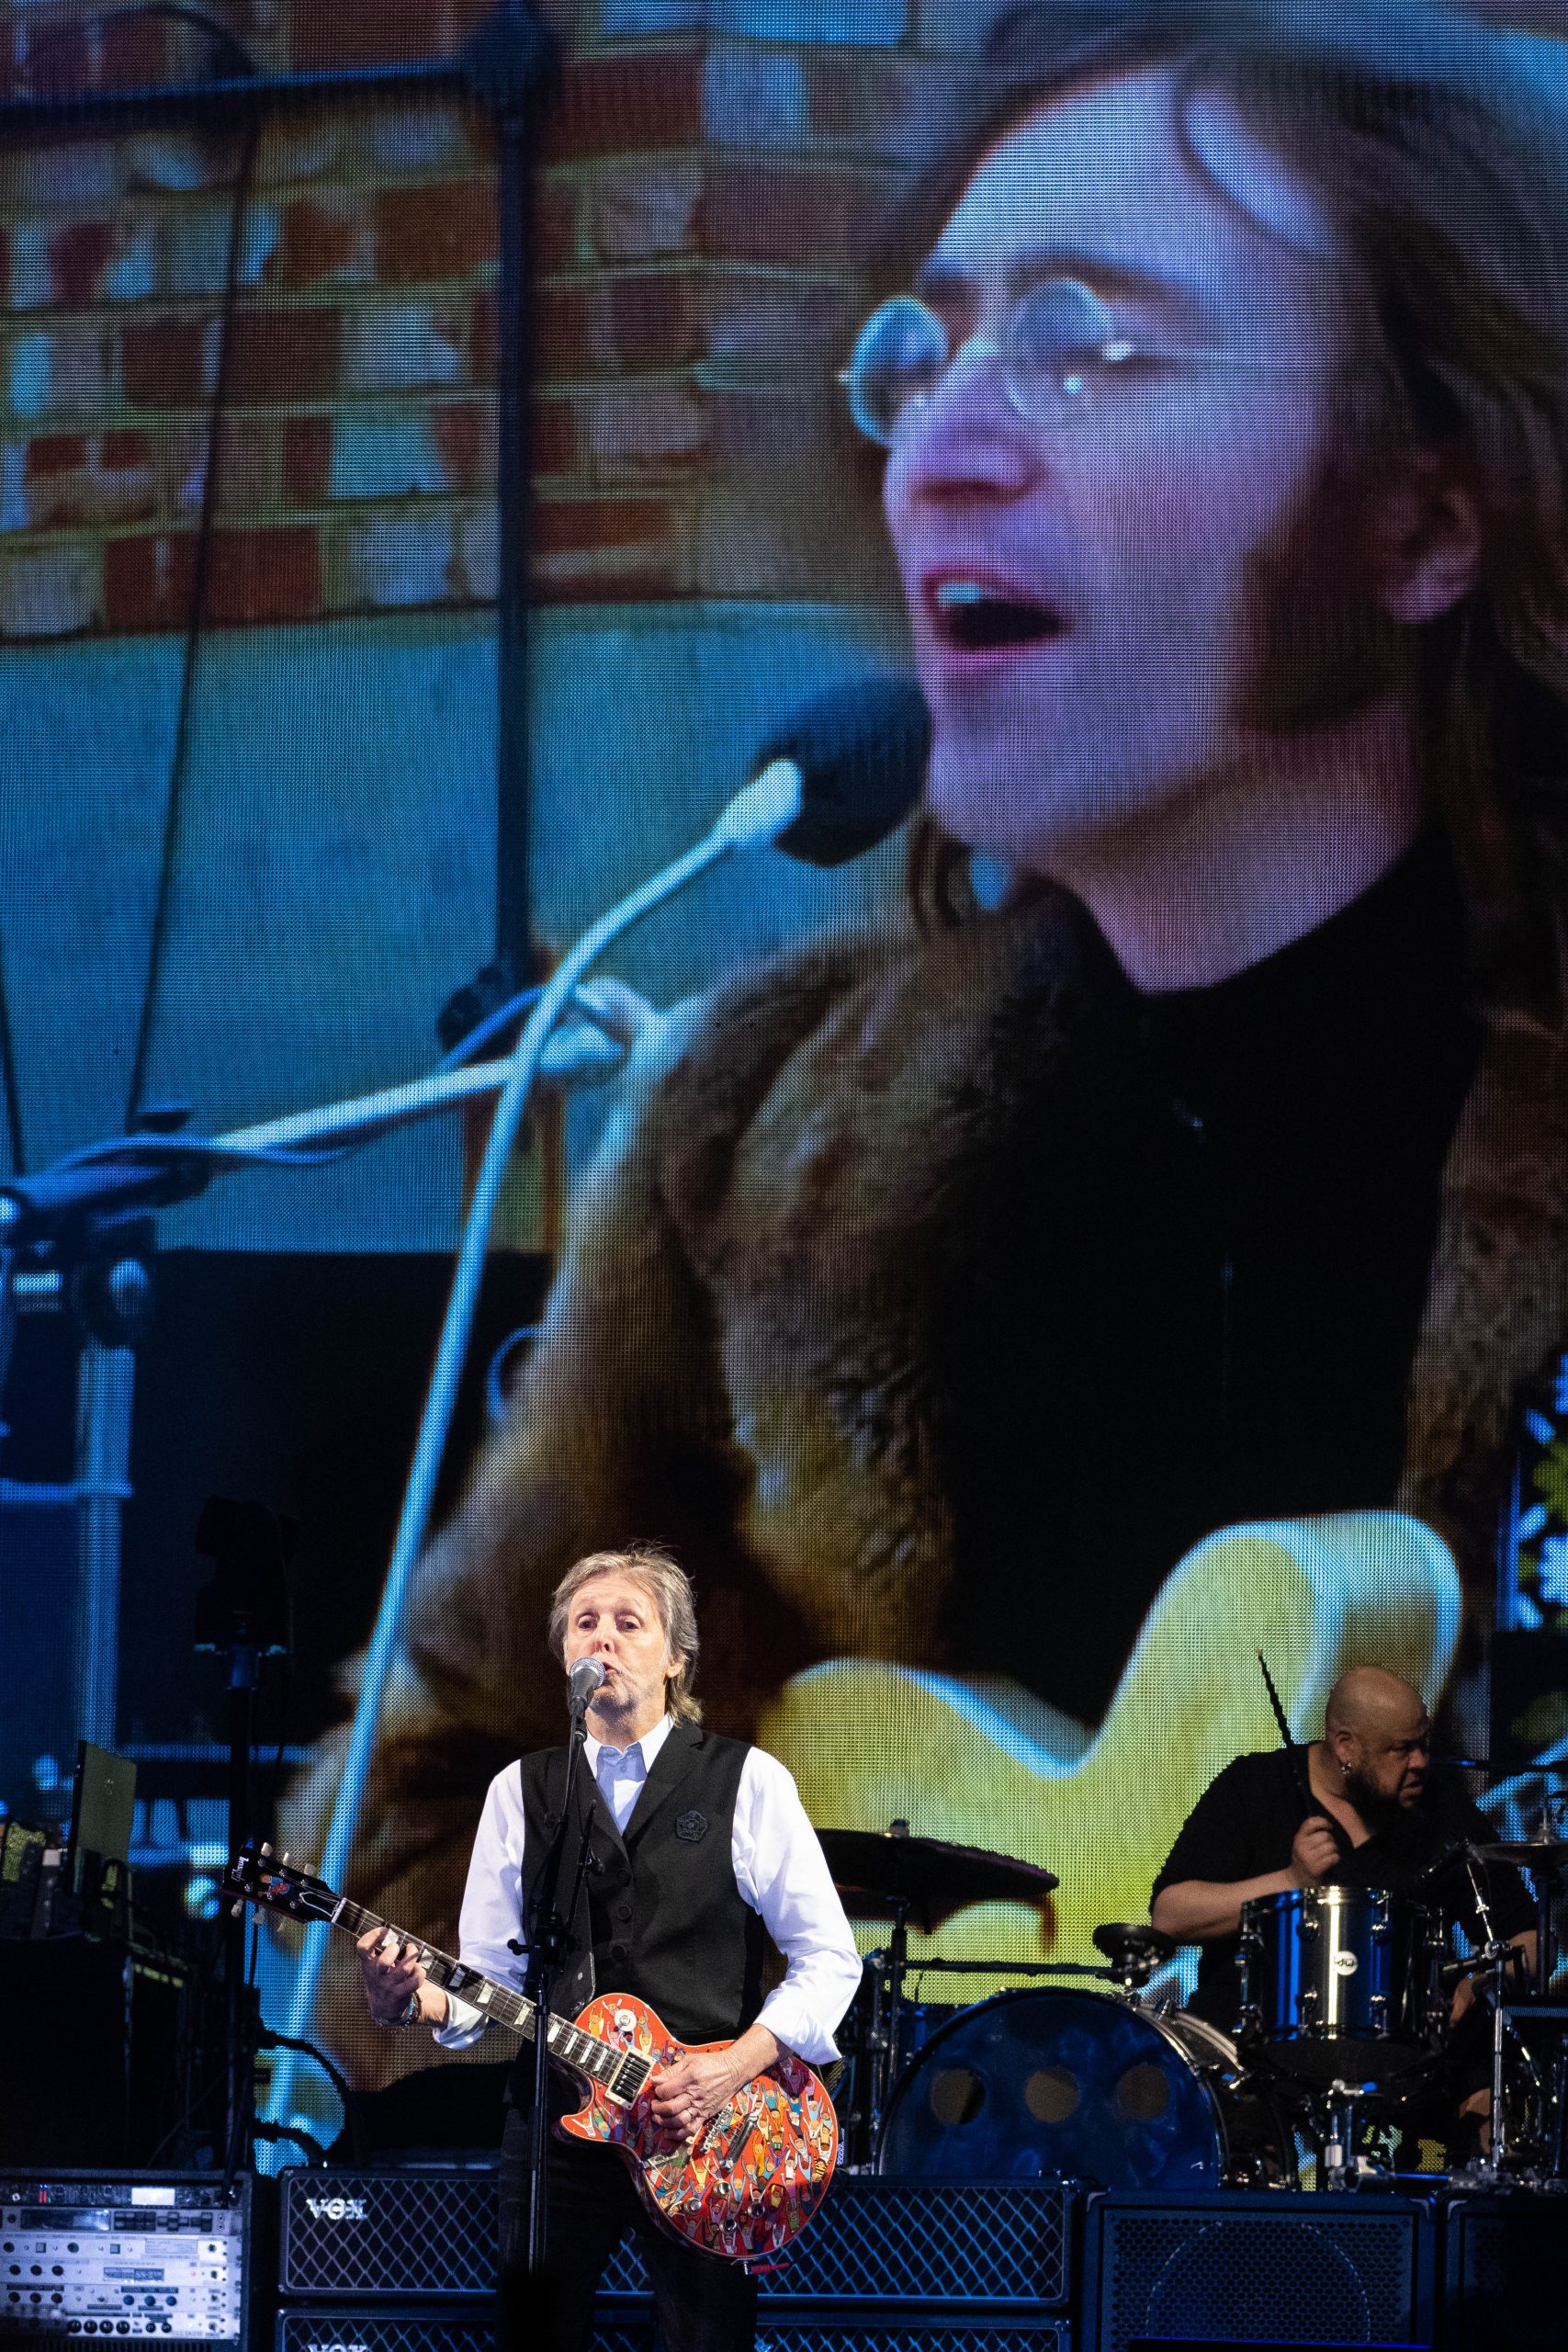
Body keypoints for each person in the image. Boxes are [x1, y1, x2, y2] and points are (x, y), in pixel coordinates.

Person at [291, 0, 1568, 2007]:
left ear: (1425, 504)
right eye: (925, 345)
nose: (943, 447)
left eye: (1085, 341)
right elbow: (409, 1834)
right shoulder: (758, 1120)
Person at [355, 1542, 861, 2352]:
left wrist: (732, 2065)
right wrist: (410, 1999)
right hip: (557, 2127)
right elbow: (489, 1977)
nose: (604, 1640)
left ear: (676, 1659)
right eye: (584, 1624)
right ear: (564, 1656)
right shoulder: (520, 1790)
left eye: (629, 1623)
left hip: (706, 2124)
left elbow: (829, 1957)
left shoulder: (748, 1780)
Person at [1151, 1666, 1536, 2150]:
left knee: (1488, 2089)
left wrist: (1482, 1985)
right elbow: (1170, 1913)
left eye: (1424, 1743)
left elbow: (1525, 1936)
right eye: (1401, 1750)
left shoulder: (1440, 1808)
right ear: (1346, 1747)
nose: (1420, 1761)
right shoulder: (1256, 1786)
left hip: (1409, 2056)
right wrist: (1289, 1881)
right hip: (1252, 2055)